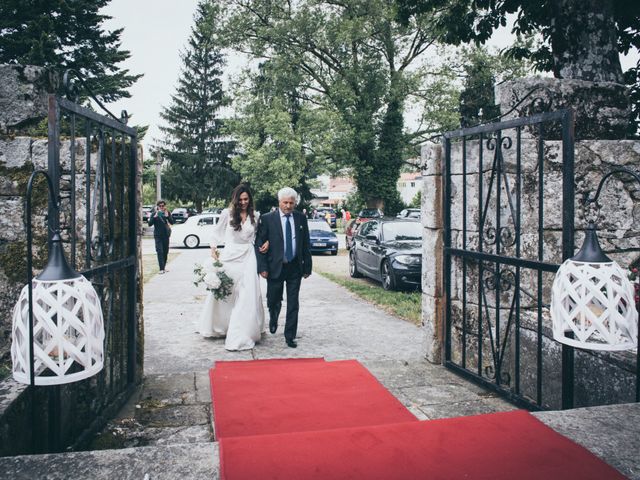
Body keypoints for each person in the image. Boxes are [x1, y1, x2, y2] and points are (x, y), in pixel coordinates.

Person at [198, 184, 268, 351]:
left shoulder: (256, 216)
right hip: (230, 256)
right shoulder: (226, 214)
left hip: (248, 257)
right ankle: (221, 325)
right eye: (240, 199)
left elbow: (260, 236)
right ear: (235, 200)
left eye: (246, 199)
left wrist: (267, 242)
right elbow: (216, 233)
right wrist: (213, 248)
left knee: (247, 293)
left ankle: (244, 329)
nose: (243, 202)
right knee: (227, 292)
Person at [256, 187, 312, 348]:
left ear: (295, 203)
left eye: (291, 203)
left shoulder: (301, 218)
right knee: (273, 299)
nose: (288, 206)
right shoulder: (267, 219)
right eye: (285, 202)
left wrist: (307, 266)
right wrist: (263, 267)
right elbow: (260, 244)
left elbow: (305, 243)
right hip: (275, 266)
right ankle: (273, 317)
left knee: (293, 302)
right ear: (279, 202)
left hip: (295, 266)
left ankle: (290, 335)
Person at [148, 200, 174, 274]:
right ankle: (161, 269)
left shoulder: (167, 213)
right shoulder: (154, 214)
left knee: (165, 252)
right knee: (160, 251)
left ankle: (164, 267)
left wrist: (167, 216)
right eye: (160, 206)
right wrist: (155, 217)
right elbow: (150, 224)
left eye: (163, 206)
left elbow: (172, 222)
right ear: (157, 206)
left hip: (166, 235)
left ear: (165, 206)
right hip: (158, 236)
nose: (162, 207)